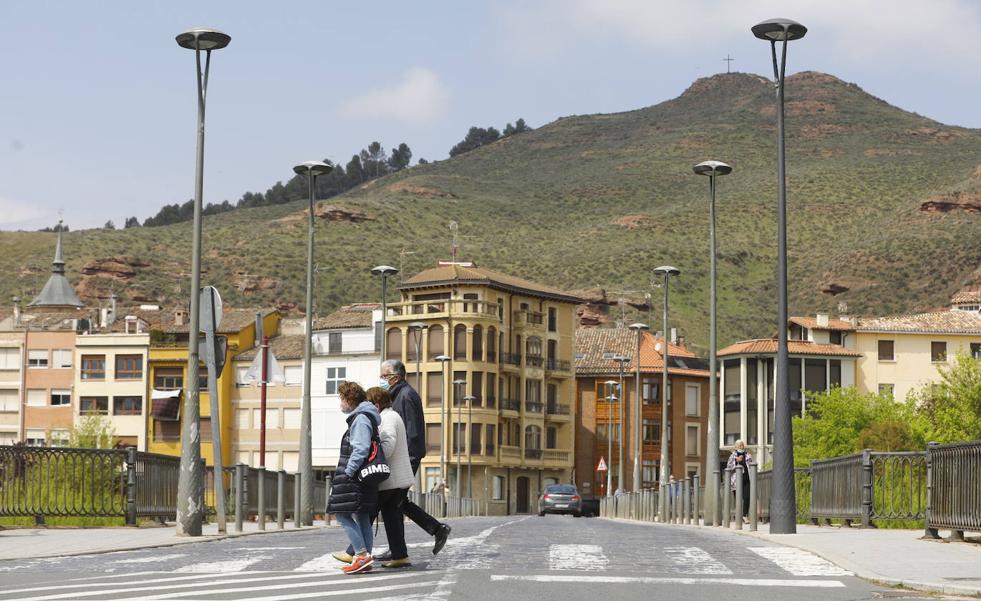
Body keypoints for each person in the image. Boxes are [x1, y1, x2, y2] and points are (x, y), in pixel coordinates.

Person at [379, 359, 451, 556]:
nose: (381, 379)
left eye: (384, 376)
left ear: (395, 376)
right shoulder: (398, 395)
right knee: (397, 503)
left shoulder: (405, 396)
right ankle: (401, 546)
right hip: (405, 458)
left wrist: (406, 461)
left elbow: (412, 433)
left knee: (393, 502)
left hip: (407, 459)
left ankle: (433, 531)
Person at [326, 382, 382, 575]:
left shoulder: (360, 419)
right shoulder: (367, 417)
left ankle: (361, 555)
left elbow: (360, 450)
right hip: (364, 477)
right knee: (362, 516)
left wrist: (348, 472)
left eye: (341, 399)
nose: (340, 403)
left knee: (342, 515)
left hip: (355, 476)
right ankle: (364, 557)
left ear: (349, 399)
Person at [368, 386, 415, 568]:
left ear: (376, 404)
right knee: (391, 517)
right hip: (397, 479)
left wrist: (371, 451)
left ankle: (354, 552)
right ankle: (400, 555)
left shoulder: (387, 418)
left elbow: (387, 447)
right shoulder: (393, 416)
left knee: (369, 514)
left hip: (391, 480)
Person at [726, 439, 755, 523]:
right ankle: (739, 516)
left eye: (742, 445)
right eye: (739, 445)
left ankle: (744, 515)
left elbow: (751, 465)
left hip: (747, 479)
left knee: (747, 497)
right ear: (735, 447)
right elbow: (729, 466)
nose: (741, 447)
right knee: (738, 498)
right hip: (736, 481)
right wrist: (736, 460)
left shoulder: (748, 455)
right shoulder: (732, 456)